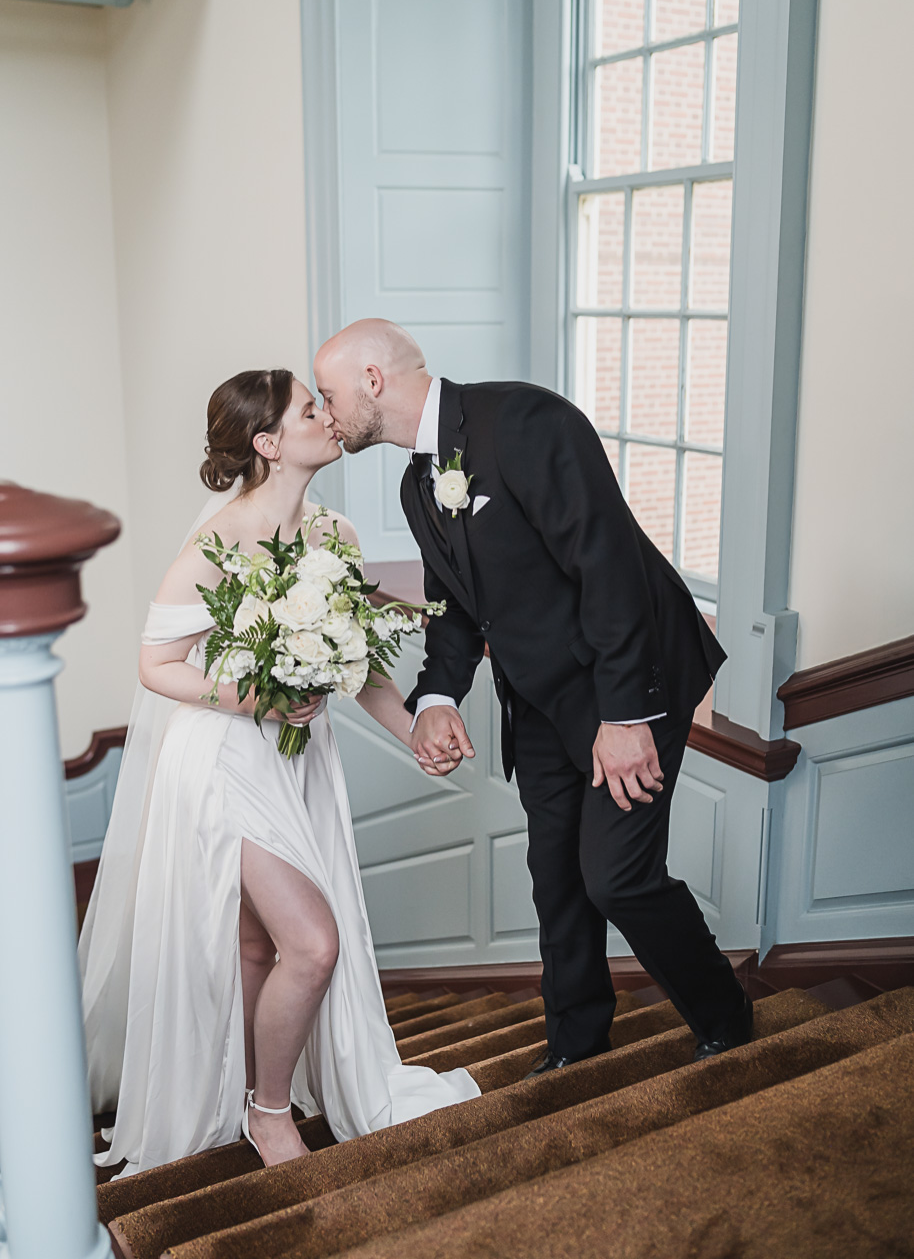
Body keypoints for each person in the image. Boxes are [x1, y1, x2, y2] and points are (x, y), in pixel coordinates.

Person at [314, 321, 753, 1072]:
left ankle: (727, 1021)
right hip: (541, 701)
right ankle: (575, 1047)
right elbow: (455, 607)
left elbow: (610, 567)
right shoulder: (416, 483)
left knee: (618, 876)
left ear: (373, 381)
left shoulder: (525, 421)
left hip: (627, 681)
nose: (325, 413)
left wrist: (623, 717)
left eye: (328, 394)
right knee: (556, 879)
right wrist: (436, 698)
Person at [78, 369, 479, 1177]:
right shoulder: (217, 545)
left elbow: (358, 664)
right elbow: (157, 665)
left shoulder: (335, 536)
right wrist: (252, 695)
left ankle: (243, 1092)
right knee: (314, 944)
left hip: (298, 764)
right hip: (224, 759)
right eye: (310, 409)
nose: (329, 417)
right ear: (267, 443)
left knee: (258, 948)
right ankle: (268, 1115)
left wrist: (414, 733)